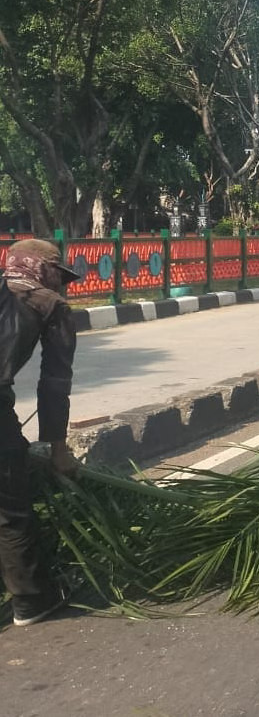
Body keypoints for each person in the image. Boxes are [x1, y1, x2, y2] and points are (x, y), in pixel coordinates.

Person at [1, 239, 82, 627]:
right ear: (44, 270)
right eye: (58, 275)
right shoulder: (50, 305)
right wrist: (58, 448)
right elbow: (54, 382)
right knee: (10, 511)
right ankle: (31, 602)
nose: (62, 284)